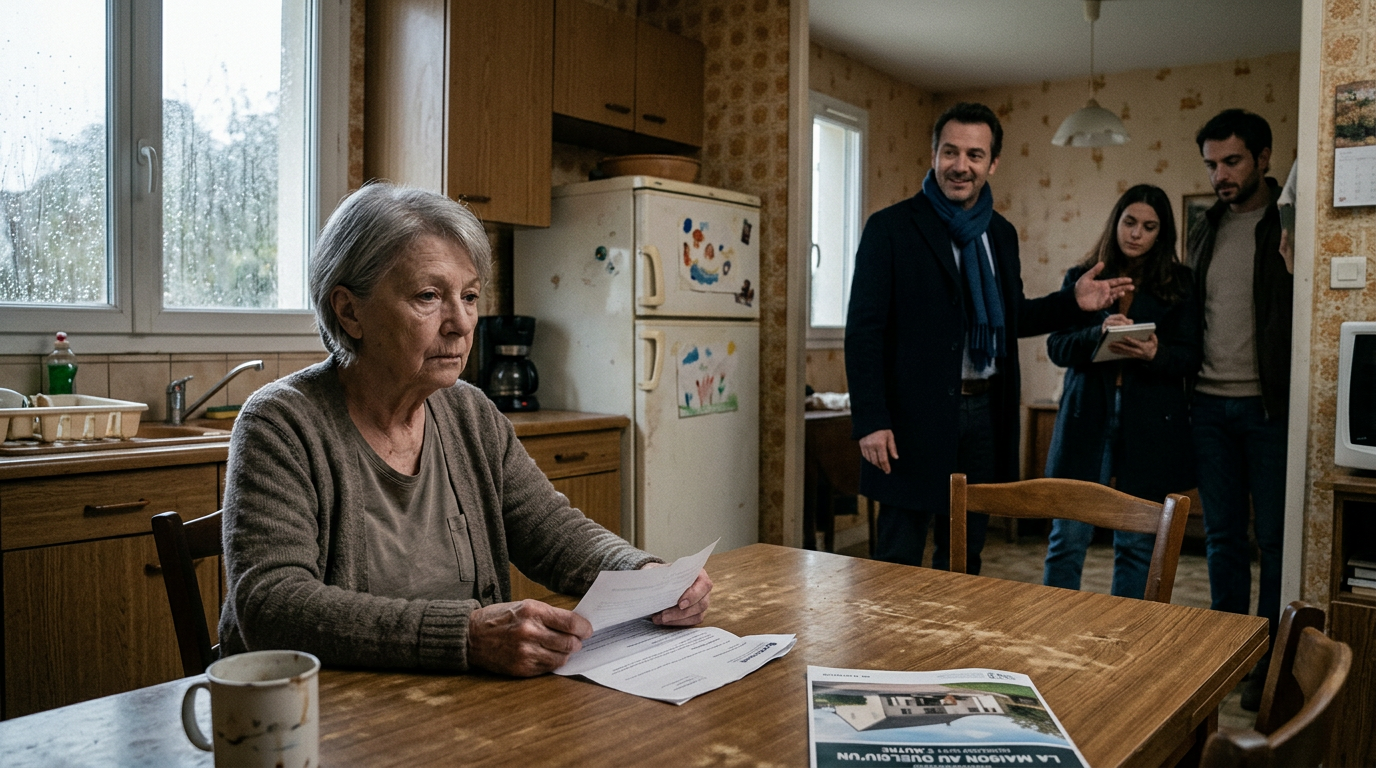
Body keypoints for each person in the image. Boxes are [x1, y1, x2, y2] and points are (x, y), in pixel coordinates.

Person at [218, 183, 711, 677]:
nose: (460, 323)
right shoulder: (280, 424)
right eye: (428, 296)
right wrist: (466, 635)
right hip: (320, 710)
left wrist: (647, 575)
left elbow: (552, 531)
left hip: (457, 700)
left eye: (469, 296)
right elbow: (271, 605)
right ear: (350, 311)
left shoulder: (469, 413)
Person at [844, 102, 1133, 574]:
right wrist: (871, 420)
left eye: (974, 155)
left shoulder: (1000, 234)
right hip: (910, 419)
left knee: (963, 556)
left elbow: (1010, 317)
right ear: (934, 155)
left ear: (992, 163)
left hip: (983, 413)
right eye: (950, 152)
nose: (961, 166)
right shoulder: (891, 228)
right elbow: (864, 333)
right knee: (897, 561)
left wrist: (1071, 302)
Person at [1041, 185, 1201, 599]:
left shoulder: (1180, 283)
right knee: (1067, 538)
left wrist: (1155, 353)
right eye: (1129, 222)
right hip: (1086, 415)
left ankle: (1126, 634)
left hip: (1149, 421)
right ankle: (1050, 626)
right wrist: (1096, 334)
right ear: (1116, 222)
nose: (1136, 234)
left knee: (1136, 543)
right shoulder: (1083, 276)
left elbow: (1191, 357)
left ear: (1162, 233)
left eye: (1149, 227)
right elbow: (1056, 347)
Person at [1186, 109, 1292, 709]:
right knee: (1222, 538)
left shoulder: (1289, 219)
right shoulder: (1206, 227)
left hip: (1269, 409)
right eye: (1211, 165)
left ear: (1263, 158)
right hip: (1208, 406)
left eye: (1231, 161)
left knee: (1273, 541)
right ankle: (1227, 654)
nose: (1220, 175)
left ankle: (1269, 664)